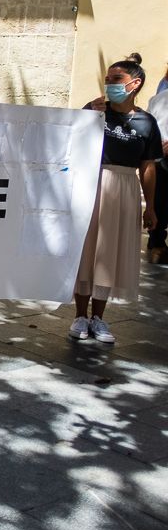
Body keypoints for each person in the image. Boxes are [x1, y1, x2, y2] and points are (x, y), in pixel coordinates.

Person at [72, 54, 161, 343]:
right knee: (87, 250)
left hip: (124, 188)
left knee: (108, 253)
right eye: (107, 79)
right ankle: (79, 316)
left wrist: (151, 207)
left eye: (117, 79)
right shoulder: (96, 110)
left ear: (135, 84)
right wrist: (88, 114)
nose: (110, 84)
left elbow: (148, 166)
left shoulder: (147, 122)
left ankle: (98, 317)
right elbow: (72, 140)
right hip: (91, 183)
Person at [147, 82, 168, 265]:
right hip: (161, 158)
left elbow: (150, 127)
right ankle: (157, 245)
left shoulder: (158, 98)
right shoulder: (159, 99)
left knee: (160, 202)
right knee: (160, 201)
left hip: (160, 157)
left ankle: (156, 244)